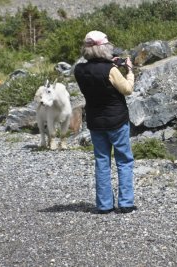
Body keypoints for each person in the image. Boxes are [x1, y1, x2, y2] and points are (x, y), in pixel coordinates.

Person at [74, 30, 136, 214]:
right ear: (105, 48)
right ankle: (125, 203)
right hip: (117, 120)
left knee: (102, 161)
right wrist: (129, 71)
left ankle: (104, 205)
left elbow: (94, 72)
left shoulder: (79, 70)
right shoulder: (111, 70)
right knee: (124, 160)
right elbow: (127, 90)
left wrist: (110, 63)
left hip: (95, 121)